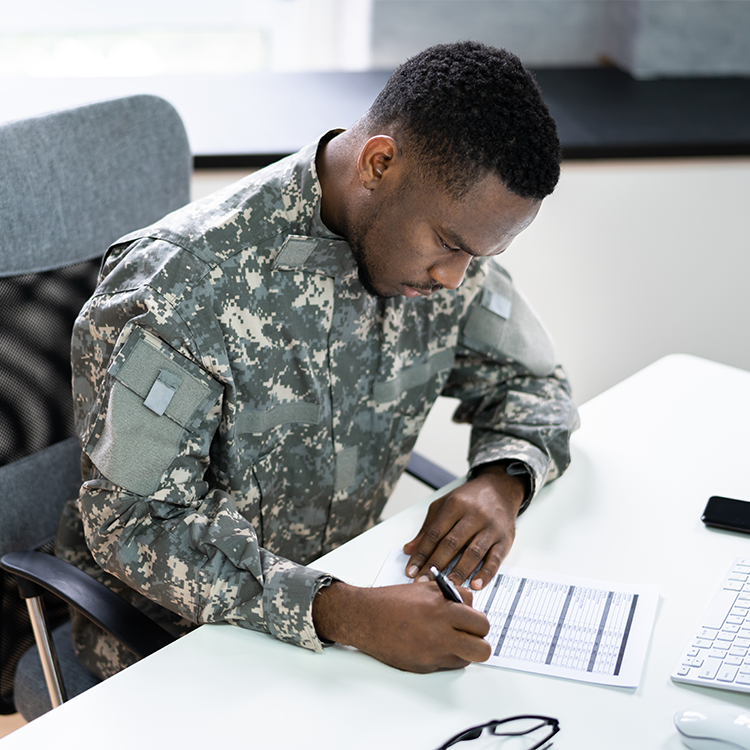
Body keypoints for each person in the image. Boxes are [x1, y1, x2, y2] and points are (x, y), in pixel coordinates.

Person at [56, 41, 579, 678]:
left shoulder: (437, 258)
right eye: (447, 244)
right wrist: (348, 614)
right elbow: (135, 526)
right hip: (171, 651)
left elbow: (535, 381)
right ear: (379, 163)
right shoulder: (179, 289)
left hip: (350, 617)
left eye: (477, 256)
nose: (455, 277)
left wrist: (500, 483)